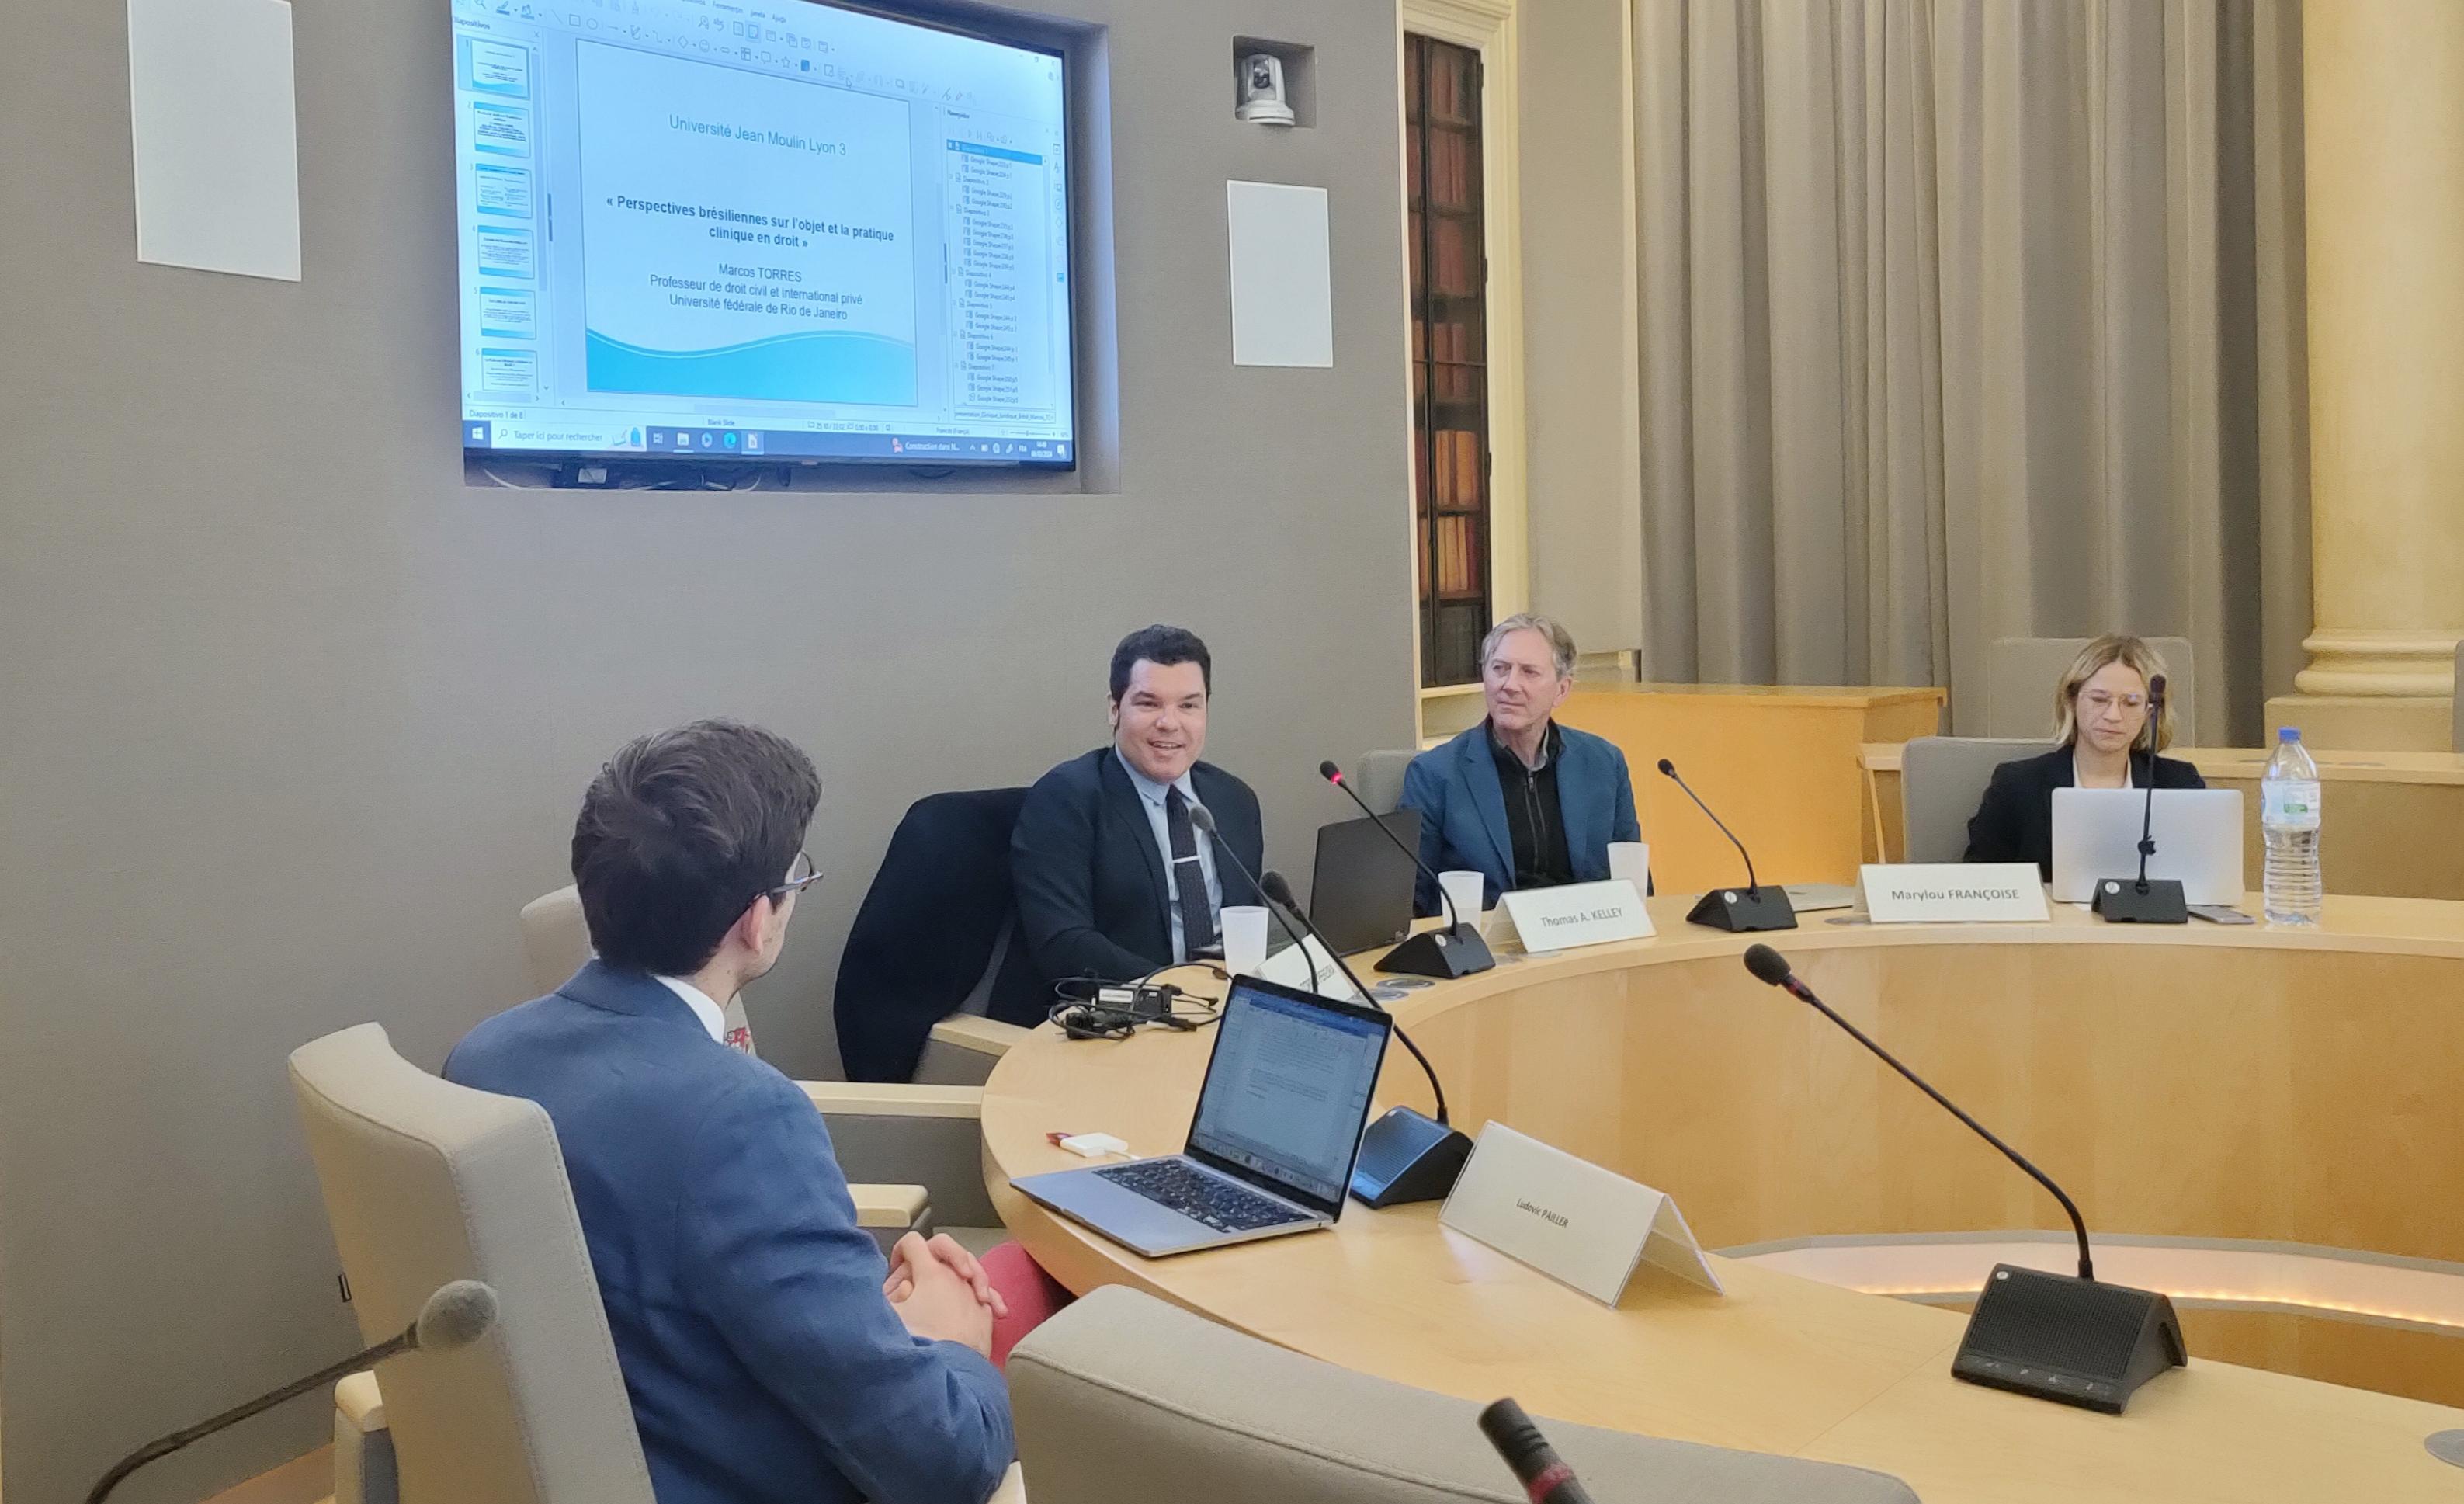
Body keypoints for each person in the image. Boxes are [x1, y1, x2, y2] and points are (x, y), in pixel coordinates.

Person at [446, 720, 1036, 1504]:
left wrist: (867, 1324)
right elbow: (943, 1463)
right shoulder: (743, 1119)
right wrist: (950, 1343)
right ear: (757, 920)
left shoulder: (483, 1057)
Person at [1012, 625, 1265, 987]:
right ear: (1115, 710)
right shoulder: (1065, 798)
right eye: (1149, 704)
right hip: (1124, 1007)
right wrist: (1177, 990)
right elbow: (1063, 943)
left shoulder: (1234, 800)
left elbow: (1245, 922)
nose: (1169, 723)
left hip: (1224, 1001)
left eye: (1188, 705)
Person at [1398, 613, 1640, 915]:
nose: (1510, 685)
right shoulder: (1435, 774)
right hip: (1488, 939)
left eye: (1529, 672)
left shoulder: (1603, 763)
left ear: (1562, 690)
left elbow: (1634, 882)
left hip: (1585, 933)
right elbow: (1409, 901)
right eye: (1499, 669)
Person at [1964, 634, 2206, 878]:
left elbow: (2205, 876)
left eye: (2131, 703)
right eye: (2099, 700)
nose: (2113, 715)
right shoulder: (2016, 784)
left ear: (2149, 713)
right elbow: (1978, 881)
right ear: (2071, 701)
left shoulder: (2180, 783)